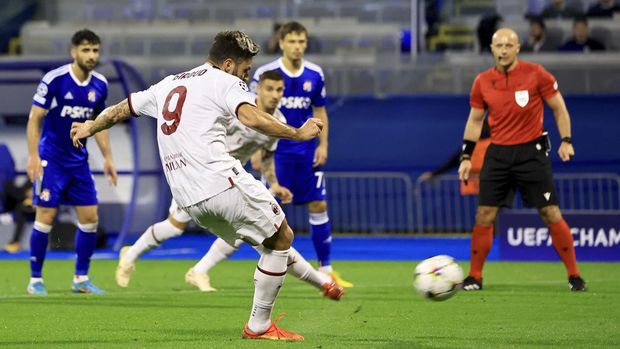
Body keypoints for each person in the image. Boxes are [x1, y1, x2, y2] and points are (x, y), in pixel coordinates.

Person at [70, 30, 324, 341]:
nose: (248, 74)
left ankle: (322, 284)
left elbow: (119, 110)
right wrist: (298, 133)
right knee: (282, 236)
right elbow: (252, 118)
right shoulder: (226, 82)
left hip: (189, 198)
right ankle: (259, 325)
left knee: (268, 242)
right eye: (246, 67)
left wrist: (89, 127)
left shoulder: (168, 84)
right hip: (219, 181)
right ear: (229, 64)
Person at [115, 70, 344, 301]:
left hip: (228, 179)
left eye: (279, 90)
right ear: (258, 89)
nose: (274, 95)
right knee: (176, 227)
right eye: (269, 89)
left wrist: (273, 184)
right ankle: (130, 256)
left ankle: (199, 271)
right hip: (202, 172)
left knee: (250, 232)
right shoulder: (238, 109)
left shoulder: (279, 121)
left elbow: (264, 158)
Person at [457, 28, 587, 292]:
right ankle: (474, 277)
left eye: (509, 45)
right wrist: (466, 156)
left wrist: (567, 140)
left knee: (550, 212)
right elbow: (475, 120)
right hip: (499, 153)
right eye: (498, 46)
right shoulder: (482, 81)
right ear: (491, 49)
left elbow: (559, 108)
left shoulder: (536, 73)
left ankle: (574, 275)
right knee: (484, 214)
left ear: (518, 48)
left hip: (532, 153)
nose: (503, 50)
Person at [250, 21, 353, 288]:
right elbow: (254, 113)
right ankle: (267, 264)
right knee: (268, 212)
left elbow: (320, 112)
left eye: (301, 42)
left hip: (307, 151)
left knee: (318, 205)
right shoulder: (265, 73)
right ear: (281, 43)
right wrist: (258, 149)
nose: (297, 47)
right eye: (292, 41)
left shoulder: (315, 74)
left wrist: (323, 145)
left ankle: (327, 269)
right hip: (277, 151)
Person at [26, 29, 117, 295]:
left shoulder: (100, 84)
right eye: (86, 50)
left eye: (95, 50)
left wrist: (108, 158)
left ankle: (81, 279)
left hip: (78, 162)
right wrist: (33, 156)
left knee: (90, 217)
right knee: (46, 215)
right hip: (50, 160)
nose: (91, 55)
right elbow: (35, 118)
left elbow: (99, 124)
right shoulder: (54, 80)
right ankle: (35, 280)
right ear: (73, 52)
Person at [2, 179, 34, 253]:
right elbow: (26, 188)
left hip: (40, 202)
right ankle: (15, 243)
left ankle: (15, 242)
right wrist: (27, 194)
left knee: (22, 209)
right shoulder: (32, 176)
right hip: (24, 203)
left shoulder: (46, 173)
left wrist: (35, 194)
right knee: (22, 207)